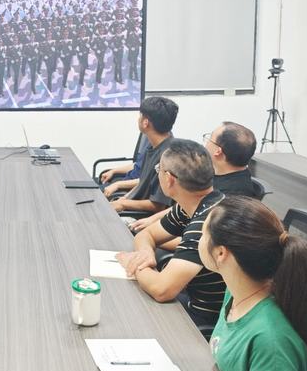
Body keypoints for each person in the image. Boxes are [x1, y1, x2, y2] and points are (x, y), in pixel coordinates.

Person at [200, 196, 307, 371]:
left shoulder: (270, 342)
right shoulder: (237, 292)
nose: (199, 240)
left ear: (220, 253)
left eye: (203, 234)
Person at [117, 139, 226, 328]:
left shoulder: (207, 224)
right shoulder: (197, 204)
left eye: (158, 169)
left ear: (169, 179)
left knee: (127, 315)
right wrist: (145, 253)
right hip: (189, 298)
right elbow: (146, 234)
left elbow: (161, 290)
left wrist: (134, 264)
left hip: (204, 320)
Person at [129, 121, 257, 233]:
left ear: (218, 151)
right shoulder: (213, 172)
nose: (206, 143)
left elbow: (202, 240)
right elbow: (184, 206)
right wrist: (152, 221)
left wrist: (151, 234)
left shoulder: (233, 197)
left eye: (210, 138)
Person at [109, 97, 178, 215]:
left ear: (145, 123)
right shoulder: (152, 147)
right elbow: (142, 184)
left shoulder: (168, 156)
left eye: (140, 115)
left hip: (142, 216)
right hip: (132, 207)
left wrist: (124, 204)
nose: (138, 119)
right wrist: (124, 199)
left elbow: (158, 205)